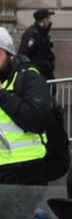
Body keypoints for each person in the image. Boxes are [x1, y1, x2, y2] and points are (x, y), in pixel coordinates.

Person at [0, 27, 52, 187]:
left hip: (25, 169)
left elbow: (37, 120)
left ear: (10, 55)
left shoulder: (29, 77)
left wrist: (2, 94)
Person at [18, 9, 55, 82]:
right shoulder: (32, 34)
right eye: (47, 18)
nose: (50, 21)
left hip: (46, 73)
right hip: (37, 75)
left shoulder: (43, 33)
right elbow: (23, 54)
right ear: (42, 20)